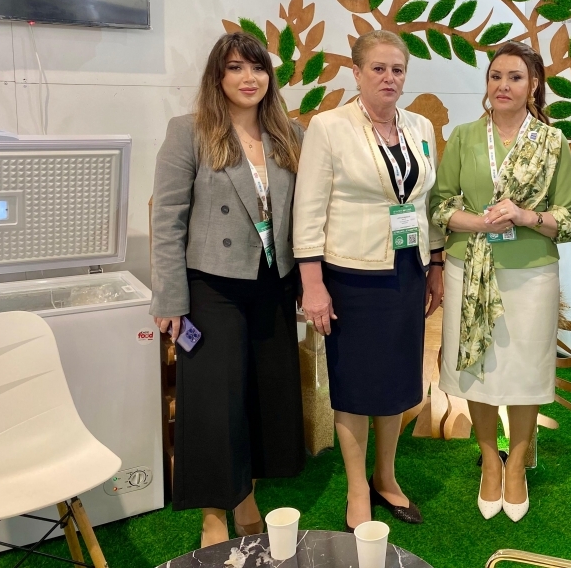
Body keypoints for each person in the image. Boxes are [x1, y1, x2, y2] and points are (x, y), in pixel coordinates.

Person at [150, 32, 306, 548]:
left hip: (274, 282)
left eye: (257, 68)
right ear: (218, 77)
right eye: (236, 67)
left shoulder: (289, 133)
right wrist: (170, 299)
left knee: (261, 396)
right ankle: (214, 515)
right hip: (210, 286)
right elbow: (167, 219)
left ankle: (246, 497)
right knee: (214, 402)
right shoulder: (190, 131)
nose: (248, 78)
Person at [293, 30, 445, 532]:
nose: (389, 78)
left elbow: (426, 203)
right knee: (357, 385)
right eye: (378, 68)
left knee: (397, 381)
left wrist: (436, 264)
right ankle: (357, 488)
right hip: (351, 275)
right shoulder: (329, 127)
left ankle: (386, 476)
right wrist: (312, 283)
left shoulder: (419, 125)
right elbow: (308, 210)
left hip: (407, 270)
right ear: (356, 73)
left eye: (397, 69)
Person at [431, 41, 571, 522]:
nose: (503, 85)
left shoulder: (552, 142)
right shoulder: (465, 136)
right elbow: (439, 206)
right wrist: (480, 223)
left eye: (515, 77)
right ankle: (489, 461)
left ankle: (515, 464)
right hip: (468, 267)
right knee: (480, 368)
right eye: (496, 76)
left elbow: (568, 220)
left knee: (525, 370)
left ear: (533, 84)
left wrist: (526, 215)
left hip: (531, 273)